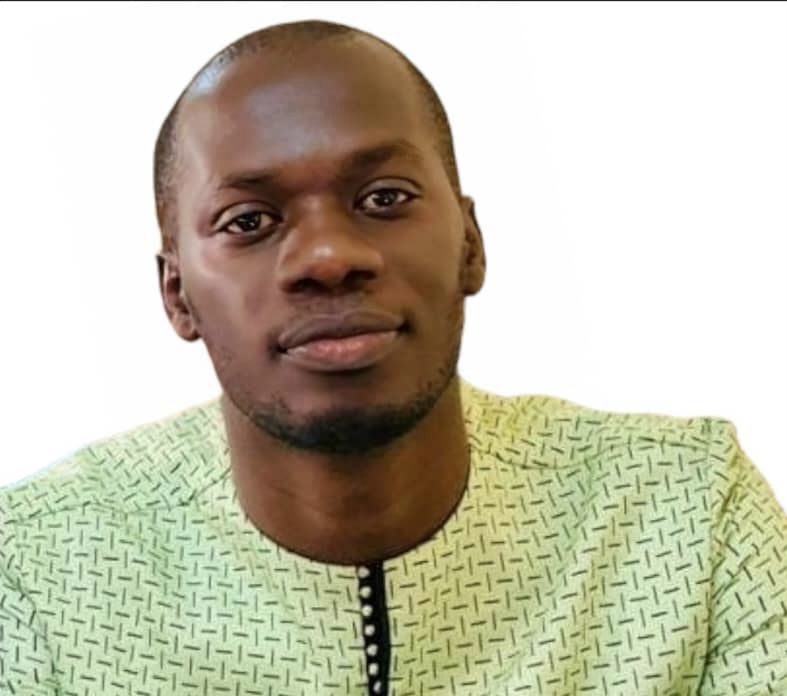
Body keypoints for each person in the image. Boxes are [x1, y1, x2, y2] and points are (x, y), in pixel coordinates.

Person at [1, 18, 785, 696]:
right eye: (248, 221)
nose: (329, 257)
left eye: (383, 199)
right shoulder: (39, 572)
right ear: (177, 295)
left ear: (469, 245)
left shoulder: (683, 512)